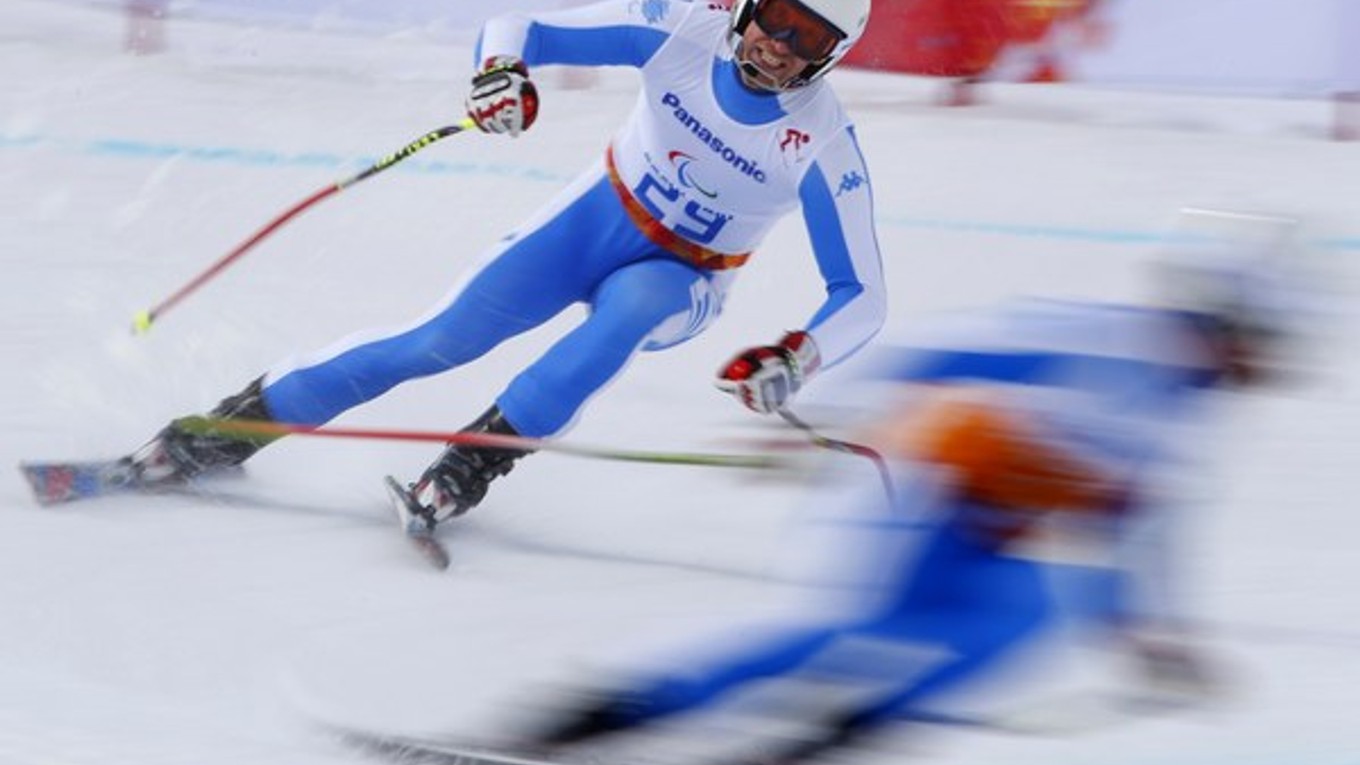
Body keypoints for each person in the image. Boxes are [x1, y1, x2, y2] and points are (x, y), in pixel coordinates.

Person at [492, 243, 1299, 765]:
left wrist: (1148, 637)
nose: (1255, 366)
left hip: (996, 539)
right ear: (1220, 320)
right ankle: (590, 720)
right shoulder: (1110, 340)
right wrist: (825, 415)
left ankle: (814, 745)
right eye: (1253, 343)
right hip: (930, 497)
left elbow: (1132, 531)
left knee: (1023, 623)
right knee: (842, 634)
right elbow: (947, 349)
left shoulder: (1186, 415)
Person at [117, 0, 886, 525]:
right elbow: (519, 24)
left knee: (625, 315)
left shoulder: (820, 144)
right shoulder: (686, 25)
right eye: (778, 18)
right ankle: (222, 433)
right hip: (596, 217)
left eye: (808, 40)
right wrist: (500, 76)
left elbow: (863, 293)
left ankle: (468, 466)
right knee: (435, 342)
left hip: (684, 273)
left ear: (832, 57)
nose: (778, 47)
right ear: (750, 6)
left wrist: (796, 357)